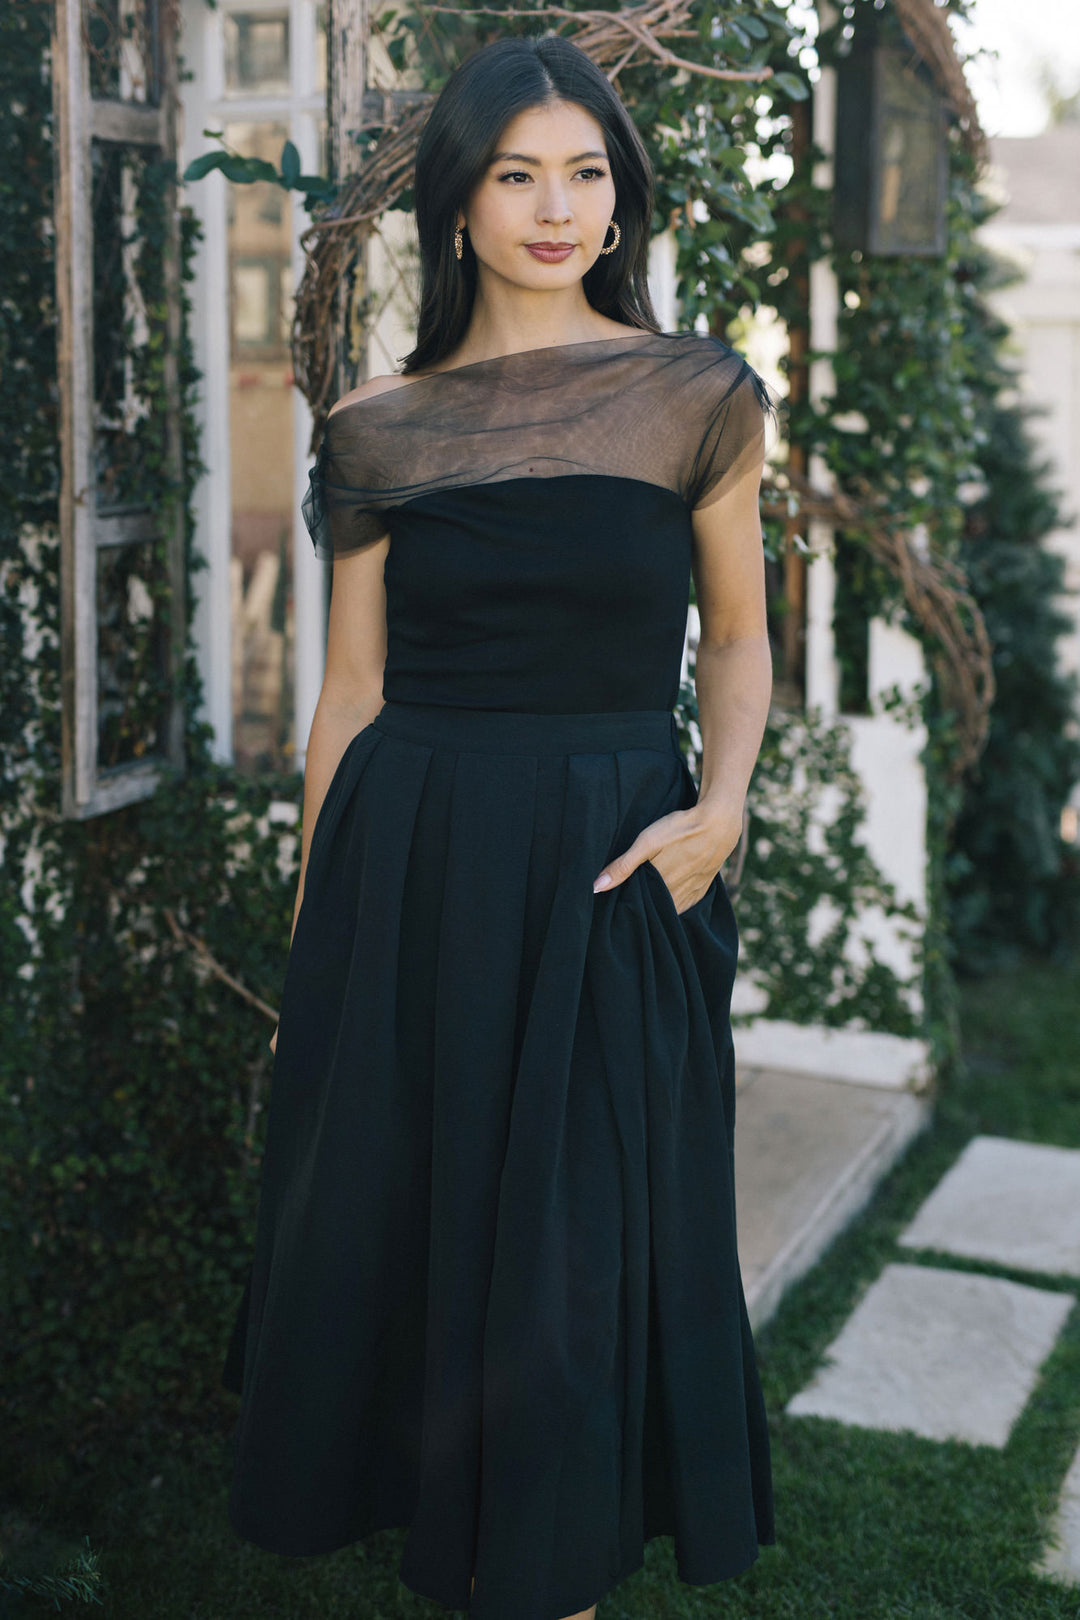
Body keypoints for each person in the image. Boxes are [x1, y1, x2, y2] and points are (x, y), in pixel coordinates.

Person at [221, 30, 776, 1620]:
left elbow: (735, 640)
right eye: (517, 173)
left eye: (585, 172)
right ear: (456, 204)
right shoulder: (379, 425)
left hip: (617, 862)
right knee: (425, 1238)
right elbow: (348, 698)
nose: (555, 206)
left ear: (622, 198)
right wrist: (318, 943)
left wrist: (719, 812)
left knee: (576, 1264)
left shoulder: (698, 396)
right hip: (417, 870)